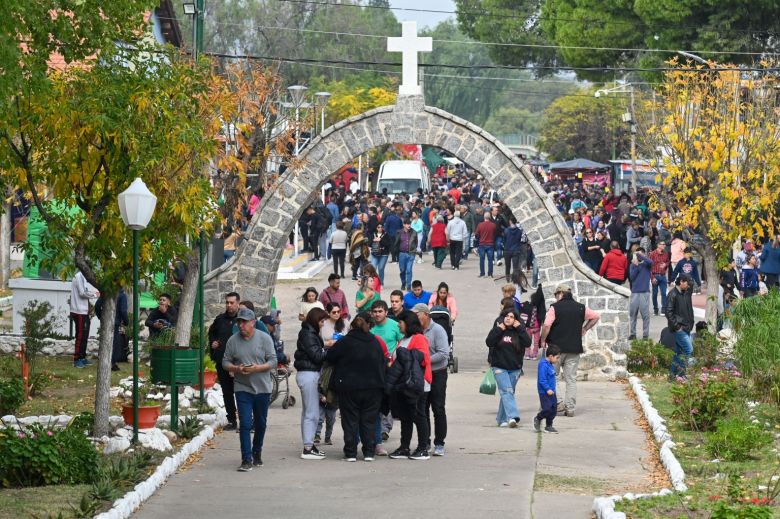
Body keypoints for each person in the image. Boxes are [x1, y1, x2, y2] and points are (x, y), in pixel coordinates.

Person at [325, 313, 387, 462]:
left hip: (349, 387)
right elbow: (383, 362)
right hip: (373, 388)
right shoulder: (375, 342)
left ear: (352, 326)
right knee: (369, 420)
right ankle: (369, 452)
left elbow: (330, 357)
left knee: (350, 420)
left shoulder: (345, 342)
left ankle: (351, 453)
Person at [222, 307, 277, 471]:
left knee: (260, 424)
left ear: (253, 323)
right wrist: (236, 368)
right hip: (242, 387)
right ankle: (246, 458)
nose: (241, 325)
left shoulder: (264, 338)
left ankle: (257, 452)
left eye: (244, 322)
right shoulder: (233, 340)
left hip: (262, 388)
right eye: (239, 321)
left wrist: (258, 368)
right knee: (245, 423)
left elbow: (273, 361)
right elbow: (225, 362)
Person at [540, 284, 601, 417]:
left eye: (556, 295)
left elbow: (546, 325)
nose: (555, 298)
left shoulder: (554, 308)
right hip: (574, 348)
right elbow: (596, 316)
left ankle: (558, 402)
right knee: (571, 380)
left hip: (555, 350)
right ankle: (570, 408)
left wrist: (543, 339)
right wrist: (585, 329)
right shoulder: (581, 307)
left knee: (552, 377)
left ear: (560, 294)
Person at [387, 311, 432, 460]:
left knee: (419, 415)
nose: (398, 324)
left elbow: (422, 360)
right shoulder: (403, 339)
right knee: (406, 417)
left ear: (408, 323)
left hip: (417, 386)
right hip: (404, 386)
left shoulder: (419, 339)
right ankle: (404, 447)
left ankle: (422, 448)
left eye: (400, 322)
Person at [413, 304, 450, 457]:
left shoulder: (438, 330)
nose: (415, 317)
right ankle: (425, 440)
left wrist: (424, 360)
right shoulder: (416, 331)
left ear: (426, 314)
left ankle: (439, 442)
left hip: (437, 373)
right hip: (422, 373)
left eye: (417, 314)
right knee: (423, 408)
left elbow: (443, 354)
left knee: (438, 408)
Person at [485, 308, 531, 427]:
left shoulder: (519, 331)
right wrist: (499, 329)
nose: (508, 318)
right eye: (506, 316)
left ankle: (501, 419)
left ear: (515, 319)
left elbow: (527, 343)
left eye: (511, 316)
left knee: (507, 394)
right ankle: (512, 416)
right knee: (507, 391)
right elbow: (489, 342)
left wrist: (520, 328)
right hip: (499, 367)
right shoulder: (498, 329)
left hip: (515, 369)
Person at [295, 307, 330, 460]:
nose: (323, 324)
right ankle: (308, 448)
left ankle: (309, 445)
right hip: (309, 374)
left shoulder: (309, 333)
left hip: (308, 373)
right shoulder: (308, 334)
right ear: (316, 321)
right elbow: (317, 356)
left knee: (308, 412)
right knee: (312, 413)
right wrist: (331, 351)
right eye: (321, 321)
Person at [208, 292, 241, 430]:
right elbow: (212, 333)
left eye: (232, 303)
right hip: (223, 362)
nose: (229, 305)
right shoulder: (220, 319)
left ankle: (246, 420)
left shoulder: (243, 319)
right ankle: (232, 420)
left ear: (238, 303)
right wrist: (213, 343)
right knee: (227, 392)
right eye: (227, 302)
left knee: (241, 392)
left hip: (239, 363)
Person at [666, 275, 694, 379]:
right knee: (688, 350)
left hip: (686, 327)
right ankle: (681, 375)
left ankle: (672, 376)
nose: (689, 286)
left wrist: (690, 323)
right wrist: (677, 326)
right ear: (681, 282)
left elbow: (692, 284)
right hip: (679, 328)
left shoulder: (685, 292)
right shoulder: (673, 294)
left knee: (678, 353)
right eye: (687, 283)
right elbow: (668, 312)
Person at [94, 288, 128, 371]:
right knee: (114, 344)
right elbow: (123, 311)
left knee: (105, 342)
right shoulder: (122, 295)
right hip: (115, 322)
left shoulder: (106, 292)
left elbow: (97, 305)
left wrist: (101, 317)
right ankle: (112, 363)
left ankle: (104, 362)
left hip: (106, 321)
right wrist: (126, 321)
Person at [534, 344, 561, 434]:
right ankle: (538, 418)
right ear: (550, 356)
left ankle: (549, 426)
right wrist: (547, 389)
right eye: (557, 358)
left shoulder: (550, 364)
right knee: (547, 408)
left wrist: (552, 390)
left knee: (553, 409)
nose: (557, 360)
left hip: (552, 391)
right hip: (544, 392)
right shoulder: (543, 365)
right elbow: (542, 380)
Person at [629, 248, 653, 340]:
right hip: (635, 292)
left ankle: (645, 335)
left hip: (644, 292)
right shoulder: (632, 265)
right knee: (633, 314)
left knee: (645, 315)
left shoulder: (647, 264)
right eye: (637, 254)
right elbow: (632, 277)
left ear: (643, 254)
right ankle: (633, 334)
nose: (638, 256)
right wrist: (636, 266)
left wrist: (640, 255)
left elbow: (651, 262)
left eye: (640, 254)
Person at [395, 219, 419, 290]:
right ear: (404, 225)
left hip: (411, 253)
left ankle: (408, 285)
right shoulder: (399, 232)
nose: (409, 225)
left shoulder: (414, 232)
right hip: (402, 253)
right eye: (407, 224)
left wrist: (414, 249)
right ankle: (403, 283)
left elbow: (416, 242)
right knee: (402, 270)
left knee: (409, 270)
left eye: (409, 224)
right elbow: (396, 242)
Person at [648, 240, 671, 316]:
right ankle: (655, 309)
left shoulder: (666, 253)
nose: (664, 245)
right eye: (663, 244)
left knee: (664, 293)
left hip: (663, 276)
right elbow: (649, 267)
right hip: (655, 275)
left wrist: (666, 264)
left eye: (665, 244)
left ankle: (663, 310)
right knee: (654, 294)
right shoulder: (652, 254)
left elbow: (668, 262)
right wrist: (652, 278)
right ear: (658, 245)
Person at [502, 216, 528, 282]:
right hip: (516, 250)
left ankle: (508, 279)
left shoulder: (506, 230)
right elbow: (519, 240)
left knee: (507, 266)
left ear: (510, 221)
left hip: (507, 250)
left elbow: (504, 240)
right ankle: (515, 279)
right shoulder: (519, 231)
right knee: (515, 267)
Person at [475, 213, 498, 278]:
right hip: (490, 244)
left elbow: (477, 234)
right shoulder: (493, 225)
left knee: (482, 259)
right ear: (490, 217)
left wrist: (478, 239)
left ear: (484, 217)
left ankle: (482, 273)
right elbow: (495, 234)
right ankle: (490, 273)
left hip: (482, 244)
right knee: (490, 260)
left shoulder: (480, 225)